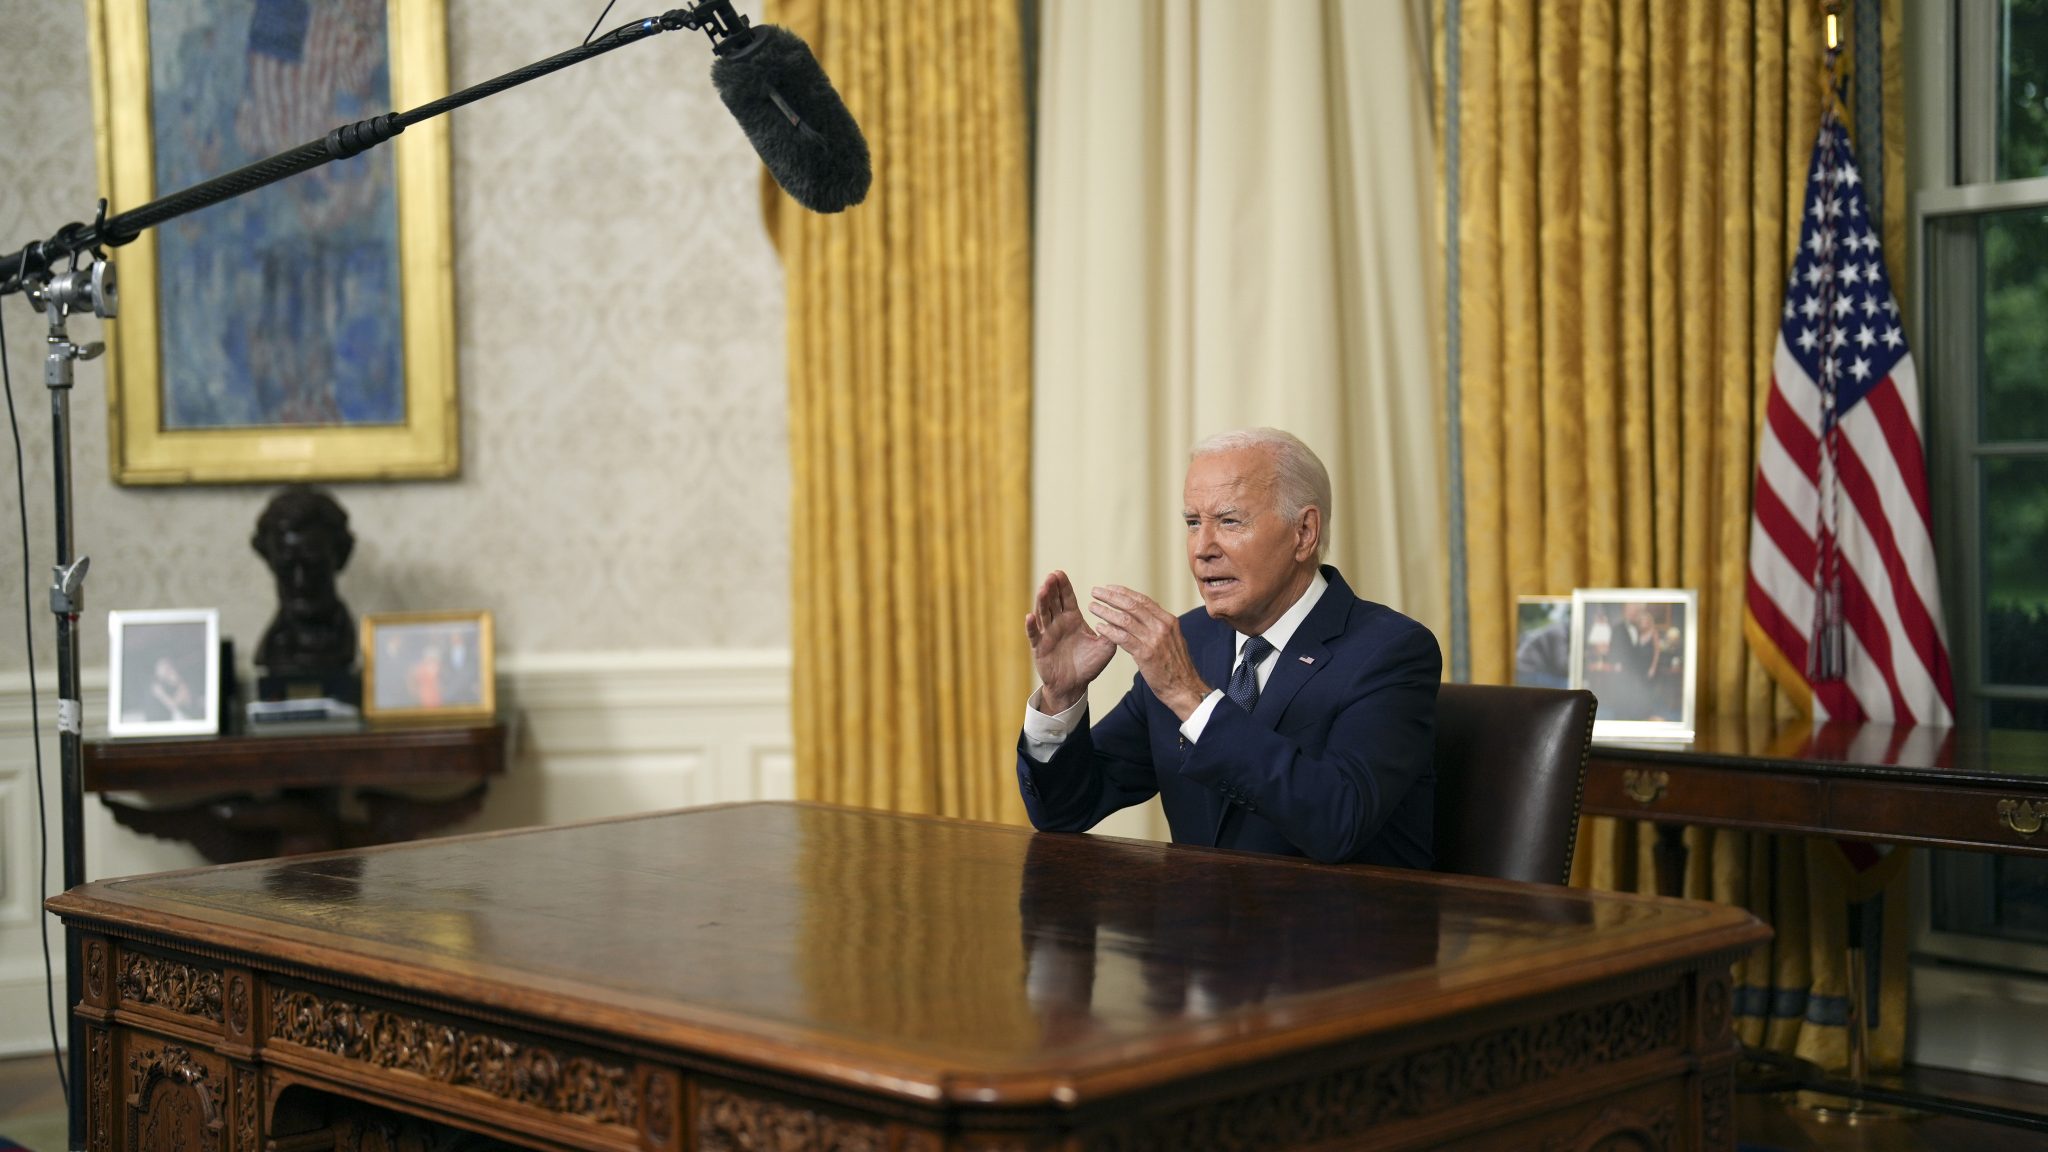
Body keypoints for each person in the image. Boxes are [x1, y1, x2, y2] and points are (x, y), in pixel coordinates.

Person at [1018, 428, 1442, 866]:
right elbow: (1066, 809)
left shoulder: (1391, 651)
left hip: (1335, 928)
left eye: (1229, 521)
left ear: (1304, 532)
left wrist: (1190, 697)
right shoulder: (1189, 641)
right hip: (1198, 927)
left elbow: (1339, 821)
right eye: (1192, 523)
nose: (1202, 549)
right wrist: (1060, 699)